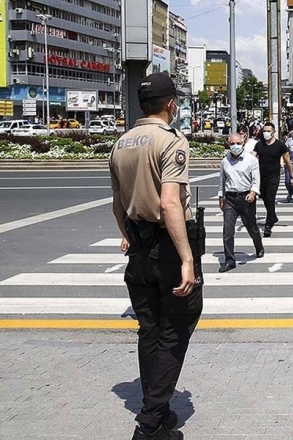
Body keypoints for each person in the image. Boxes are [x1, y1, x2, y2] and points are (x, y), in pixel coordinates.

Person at [108, 72, 203, 440]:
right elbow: (169, 203)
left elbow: (117, 205)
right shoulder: (170, 141)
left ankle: (159, 413)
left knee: (149, 330)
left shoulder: (120, 144)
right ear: (171, 104)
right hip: (168, 244)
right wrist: (187, 259)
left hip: (138, 245)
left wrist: (128, 238)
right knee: (177, 327)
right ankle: (149, 425)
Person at [218, 133, 264, 272]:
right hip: (230, 199)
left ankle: (258, 246)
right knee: (228, 231)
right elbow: (222, 181)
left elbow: (256, 180)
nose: (235, 146)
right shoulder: (225, 161)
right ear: (228, 144)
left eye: (238, 143)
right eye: (232, 143)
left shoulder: (251, 160)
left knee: (252, 227)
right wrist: (221, 197)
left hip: (246, 198)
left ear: (243, 143)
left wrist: (253, 192)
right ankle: (229, 260)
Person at [254, 122, 293, 238]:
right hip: (261, 176)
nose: (266, 133)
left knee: (270, 199)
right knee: (265, 198)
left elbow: (287, 161)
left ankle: (268, 224)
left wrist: (292, 176)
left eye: (268, 131)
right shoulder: (259, 145)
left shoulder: (280, 145)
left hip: (274, 176)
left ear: (273, 132)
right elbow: (252, 158)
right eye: (264, 131)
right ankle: (273, 216)